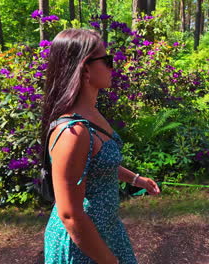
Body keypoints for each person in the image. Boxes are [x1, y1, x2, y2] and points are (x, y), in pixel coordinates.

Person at [41, 29, 160, 264]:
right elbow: (70, 215)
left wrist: (136, 180)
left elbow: (98, 164)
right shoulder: (73, 132)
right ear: (85, 68)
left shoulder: (92, 114)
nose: (112, 67)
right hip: (81, 246)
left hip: (105, 232)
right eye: (107, 61)